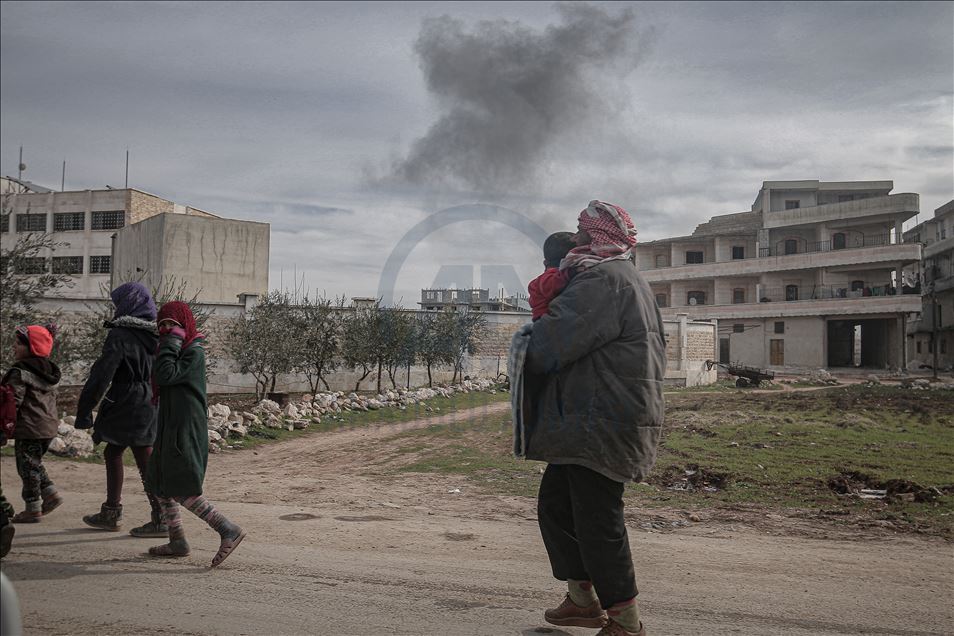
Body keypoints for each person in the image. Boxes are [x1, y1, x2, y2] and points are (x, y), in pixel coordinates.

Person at [524, 201, 665, 636]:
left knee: (598, 521)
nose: (576, 239)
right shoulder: (620, 277)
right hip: (592, 417)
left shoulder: (603, 281)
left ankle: (625, 620)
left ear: (596, 238)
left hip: (601, 421)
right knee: (557, 506)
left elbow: (547, 345)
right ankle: (583, 600)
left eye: (582, 232)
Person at [144, 301, 246, 567]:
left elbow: (166, 374)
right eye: (162, 325)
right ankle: (177, 540)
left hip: (185, 428)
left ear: (185, 326)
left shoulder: (192, 352)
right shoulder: (178, 350)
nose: (166, 330)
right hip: (170, 425)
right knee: (159, 481)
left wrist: (170, 344)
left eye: (173, 325)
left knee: (182, 484)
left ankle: (227, 529)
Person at [76, 282, 166, 537]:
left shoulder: (120, 335)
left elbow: (101, 374)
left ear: (127, 304)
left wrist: (85, 410)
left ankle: (159, 517)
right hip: (152, 400)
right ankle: (112, 512)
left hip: (127, 399)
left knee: (138, 455)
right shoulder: (158, 335)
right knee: (120, 451)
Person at [2, 325, 63, 524]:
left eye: (19, 344)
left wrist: (5, 424)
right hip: (48, 428)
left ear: (32, 347)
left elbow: (13, 401)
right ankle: (51, 494)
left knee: (26, 467)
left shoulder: (20, 372)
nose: (14, 347)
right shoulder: (51, 371)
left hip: (29, 428)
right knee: (33, 463)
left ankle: (32, 508)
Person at [528, 232, 577, 321]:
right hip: (545, 321)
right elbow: (553, 284)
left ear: (545, 263)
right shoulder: (548, 278)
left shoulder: (546, 278)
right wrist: (571, 273)